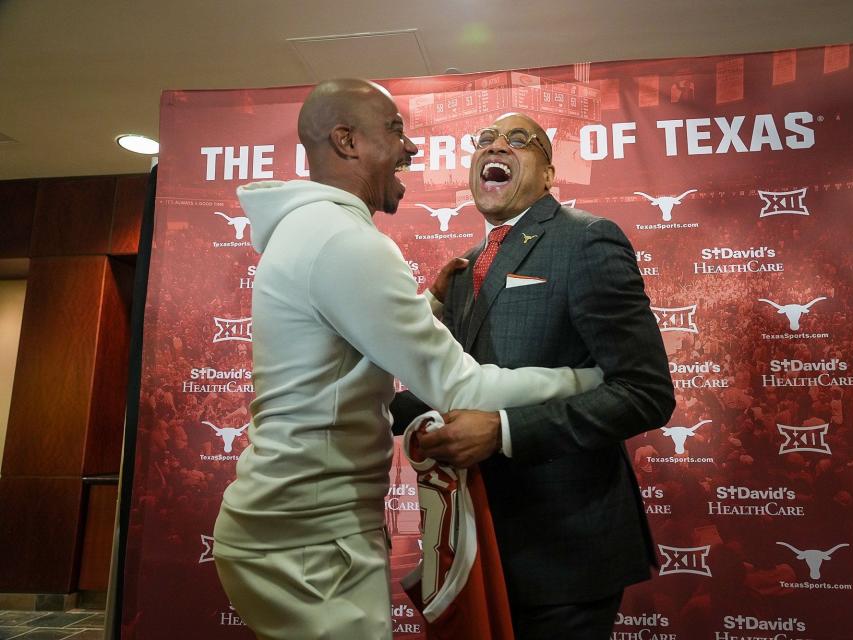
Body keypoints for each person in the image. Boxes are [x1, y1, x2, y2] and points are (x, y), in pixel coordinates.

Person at [212, 80, 602, 640]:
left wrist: (431, 306)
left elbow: (341, 349)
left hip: (291, 529)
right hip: (310, 540)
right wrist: (588, 378)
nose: (412, 148)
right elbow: (460, 387)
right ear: (346, 141)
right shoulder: (345, 240)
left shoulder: (311, 229)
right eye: (396, 130)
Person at [398, 112, 676, 640]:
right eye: (484, 140)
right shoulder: (463, 269)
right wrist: (372, 409)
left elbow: (644, 393)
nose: (495, 145)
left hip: (566, 552)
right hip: (480, 545)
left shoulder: (587, 240)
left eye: (519, 140)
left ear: (549, 175)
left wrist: (502, 431)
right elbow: (461, 387)